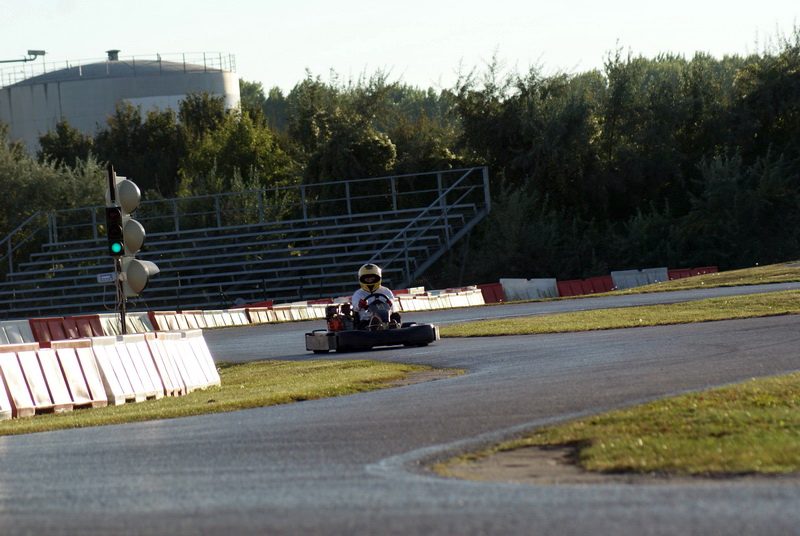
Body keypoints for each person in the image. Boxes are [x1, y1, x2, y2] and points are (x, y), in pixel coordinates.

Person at [352, 264, 401, 329]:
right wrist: (360, 305)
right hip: (367, 320)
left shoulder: (385, 291)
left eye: (372, 279)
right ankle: (374, 325)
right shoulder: (358, 294)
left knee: (396, 315)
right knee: (366, 323)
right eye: (368, 280)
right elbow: (355, 307)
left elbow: (393, 304)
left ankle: (392, 326)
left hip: (386, 319)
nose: (370, 281)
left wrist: (390, 303)